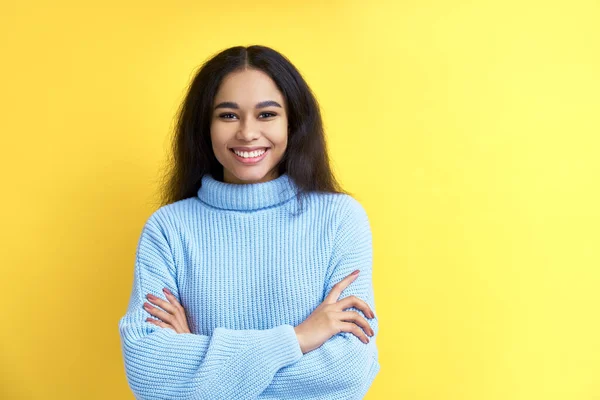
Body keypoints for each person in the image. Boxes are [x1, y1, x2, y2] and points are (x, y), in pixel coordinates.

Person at [118, 44, 380, 399]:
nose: (247, 133)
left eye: (267, 114)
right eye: (228, 115)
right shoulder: (168, 230)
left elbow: (347, 373)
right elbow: (148, 373)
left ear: (293, 122)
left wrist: (199, 362)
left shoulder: (339, 220)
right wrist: (298, 339)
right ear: (204, 125)